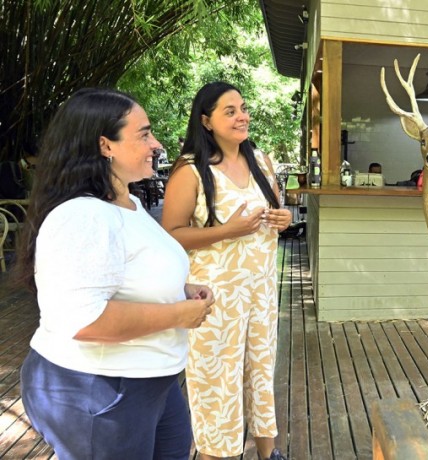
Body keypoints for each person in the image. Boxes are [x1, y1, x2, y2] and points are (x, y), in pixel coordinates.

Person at [16, 88, 215, 459]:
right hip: (101, 390)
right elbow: (85, 319)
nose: (156, 143)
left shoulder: (131, 204)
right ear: (106, 145)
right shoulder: (83, 216)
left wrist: (179, 289)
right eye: (144, 134)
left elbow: (128, 274)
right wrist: (179, 314)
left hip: (151, 380)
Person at [161, 82, 292, 460]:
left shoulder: (262, 161)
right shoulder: (191, 170)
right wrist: (225, 231)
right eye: (229, 111)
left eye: (243, 108)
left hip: (261, 293)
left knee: (260, 373)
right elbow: (170, 236)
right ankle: (218, 454)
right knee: (218, 383)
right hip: (214, 300)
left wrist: (281, 219)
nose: (242, 116)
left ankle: (270, 453)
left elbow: (273, 214)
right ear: (206, 121)